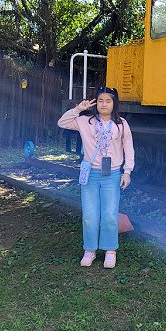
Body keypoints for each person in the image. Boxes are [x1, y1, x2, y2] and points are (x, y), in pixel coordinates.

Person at [57, 86, 134, 269]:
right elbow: (62, 122)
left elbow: (129, 149)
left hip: (112, 174)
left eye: (108, 101)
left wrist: (127, 172)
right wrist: (78, 108)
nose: (104, 104)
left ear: (114, 103)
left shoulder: (121, 124)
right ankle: (90, 250)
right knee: (90, 215)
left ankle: (110, 250)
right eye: (100, 101)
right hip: (90, 173)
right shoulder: (85, 121)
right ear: (95, 103)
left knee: (109, 214)